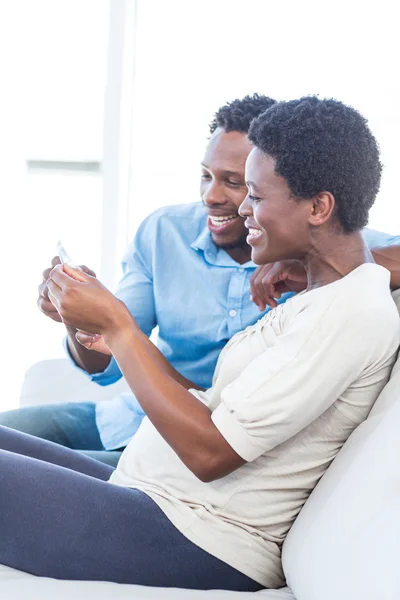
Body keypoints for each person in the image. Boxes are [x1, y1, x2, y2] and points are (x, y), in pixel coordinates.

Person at [1, 97, 399, 590]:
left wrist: (121, 328)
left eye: (253, 193)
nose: (240, 208)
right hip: (163, 497)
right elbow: (207, 405)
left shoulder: (351, 312)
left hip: (202, 535)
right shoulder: (321, 296)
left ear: (318, 207)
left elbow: (211, 454)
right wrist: (104, 325)